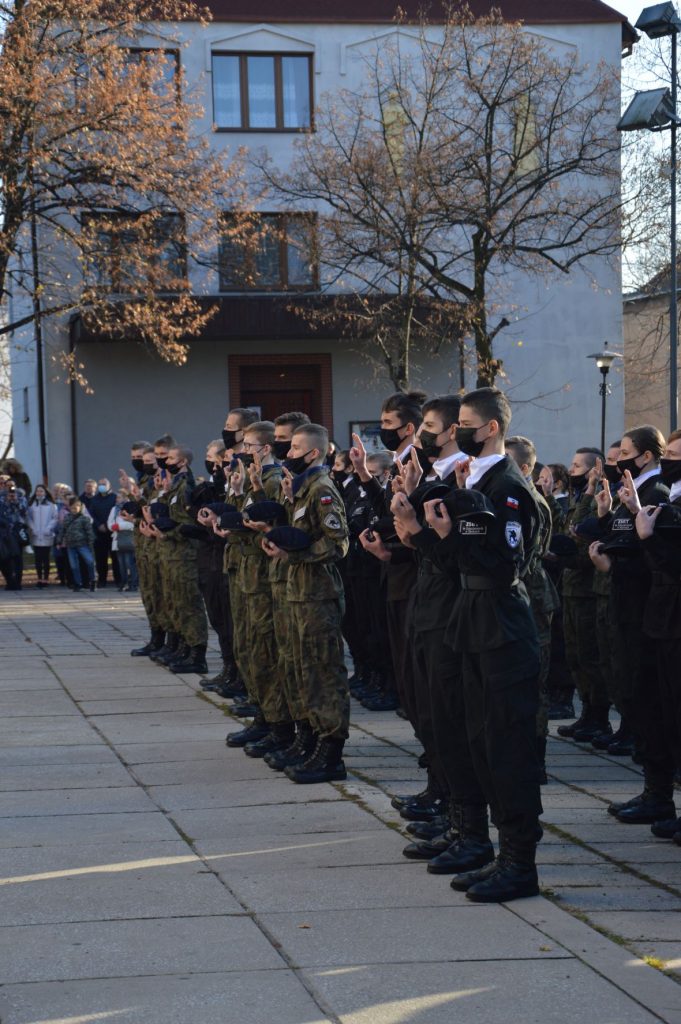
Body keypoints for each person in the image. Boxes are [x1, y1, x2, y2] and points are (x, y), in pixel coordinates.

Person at [417, 387, 543, 903]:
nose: (456, 430)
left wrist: (452, 535)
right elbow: (459, 562)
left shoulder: (507, 487)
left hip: (501, 624)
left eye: (465, 422)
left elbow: (503, 564)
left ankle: (520, 864)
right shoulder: (478, 479)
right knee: (477, 742)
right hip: (471, 619)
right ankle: (491, 851)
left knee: (506, 747)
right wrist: (424, 533)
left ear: (490, 428)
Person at [590, 425, 671, 825]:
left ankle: (658, 793)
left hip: (647, 611)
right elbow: (622, 538)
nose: (617, 457)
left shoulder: (657, 493)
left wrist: (617, 563)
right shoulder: (634, 491)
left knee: (651, 702)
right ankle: (654, 791)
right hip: (627, 604)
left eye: (625, 451)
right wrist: (607, 517)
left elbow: (651, 553)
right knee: (635, 695)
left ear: (646, 456)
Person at [261, 422, 350, 784]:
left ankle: (331, 751)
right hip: (296, 593)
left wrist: (294, 555)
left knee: (322, 671)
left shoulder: (322, 490)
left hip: (317, 595)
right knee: (299, 668)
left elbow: (338, 543)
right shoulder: (299, 488)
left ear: (314, 453)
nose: (288, 454)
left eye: (295, 448)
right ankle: (308, 738)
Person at [58, 496, 96, 592]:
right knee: (74, 566)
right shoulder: (67, 518)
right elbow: (62, 530)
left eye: (76, 507)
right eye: (72, 508)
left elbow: (89, 532)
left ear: (80, 507)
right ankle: (77, 583)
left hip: (83, 544)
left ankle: (92, 580)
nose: (74, 509)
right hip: (70, 545)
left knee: (90, 562)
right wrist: (59, 541)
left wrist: (91, 543)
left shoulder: (84, 518)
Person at [27, 486, 58, 587]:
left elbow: (55, 518)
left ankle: (46, 579)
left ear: (45, 492)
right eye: (37, 491)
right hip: (36, 535)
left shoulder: (51, 505)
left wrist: (48, 528)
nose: (39, 493)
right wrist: (33, 528)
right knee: (38, 558)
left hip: (46, 535)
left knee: (46, 558)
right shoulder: (32, 505)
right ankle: (39, 578)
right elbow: (29, 518)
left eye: (41, 491)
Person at [89, 479, 118, 587]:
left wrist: (107, 525)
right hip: (99, 533)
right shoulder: (94, 499)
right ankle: (102, 580)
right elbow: (91, 514)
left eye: (104, 484)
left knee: (115, 558)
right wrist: (98, 525)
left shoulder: (114, 498)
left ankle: (118, 579)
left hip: (112, 531)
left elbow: (117, 512)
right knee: (101, 558)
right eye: (100, 484)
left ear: (109, 485)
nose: (102, 486)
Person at [108, 490, 137, 591]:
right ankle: (123, 583)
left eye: (119, 497)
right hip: (118, 540)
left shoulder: (131, 507)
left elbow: (133, 523)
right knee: (121, 564)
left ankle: (133, 584)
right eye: (117, 498)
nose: (117, 499)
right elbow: (110, 523)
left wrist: (119, 526)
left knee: (130, 563)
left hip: (129, 539)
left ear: (125, 497)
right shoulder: (114, 509)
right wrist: (113, 527)